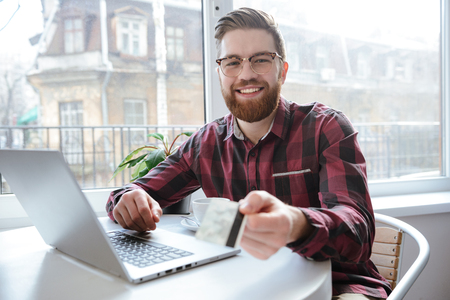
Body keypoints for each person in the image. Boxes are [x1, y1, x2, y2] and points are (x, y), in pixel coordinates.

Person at [106, 7, 391, 300]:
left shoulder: (325, 128)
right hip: (243, 285)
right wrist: (129, 200)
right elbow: (135, 191)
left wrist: (295, 223)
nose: (246, 74)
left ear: (283, 69)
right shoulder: (206, 142)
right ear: (220, 74)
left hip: (338, 285)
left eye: (261, 60)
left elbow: (358, 231)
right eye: (232, 62)